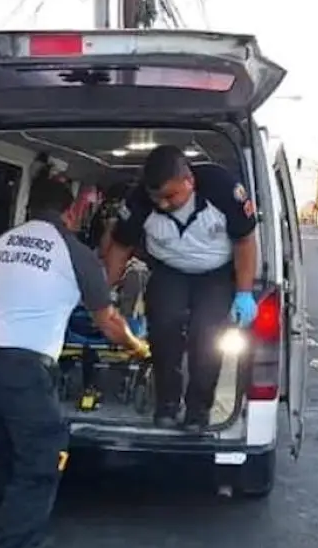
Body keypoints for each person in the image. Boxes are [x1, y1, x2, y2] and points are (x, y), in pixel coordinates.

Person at [0, 176, 148, 548]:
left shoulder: (4, 241)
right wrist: (137, 346)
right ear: (72, 212)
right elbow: (106, 319)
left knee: (8, 451)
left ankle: (22, 533)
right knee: (42, 460)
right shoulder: (75, 251)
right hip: (24, 367)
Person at [103, 145, 258, 432]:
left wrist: (244, 292)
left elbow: (245, 241)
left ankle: (198, 412)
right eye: (156, 198)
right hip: (169, 270)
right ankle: (167, 405)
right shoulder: (139, 202)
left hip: (216, 274)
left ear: (189, 181)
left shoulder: (222, 188)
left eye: (169, 196)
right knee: (163, 329)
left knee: (207, 338)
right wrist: (104, 296)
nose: (162, 204)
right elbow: (120, 248)